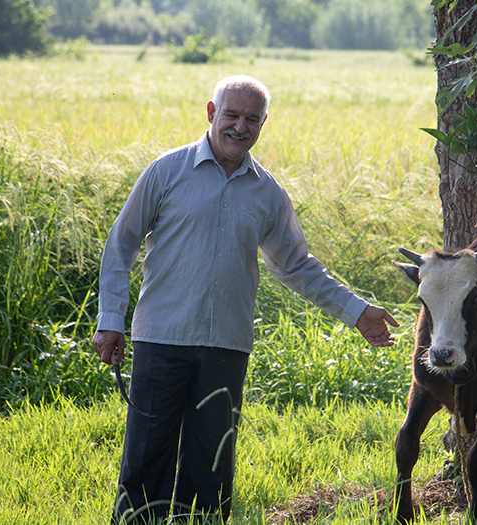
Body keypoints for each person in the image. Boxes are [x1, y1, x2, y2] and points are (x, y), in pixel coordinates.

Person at [92, 75, 399, 524]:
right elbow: (121, 244)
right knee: (145, 457)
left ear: (263, 123)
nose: (240, 127)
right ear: (212, 113)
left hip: (226, 345)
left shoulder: (268, 193)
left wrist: (357, 312)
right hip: (162, 337)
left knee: (212, 464)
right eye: (232, 115)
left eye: (251, 119)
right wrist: (110, 319)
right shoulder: (167, 172)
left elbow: (296, 266)